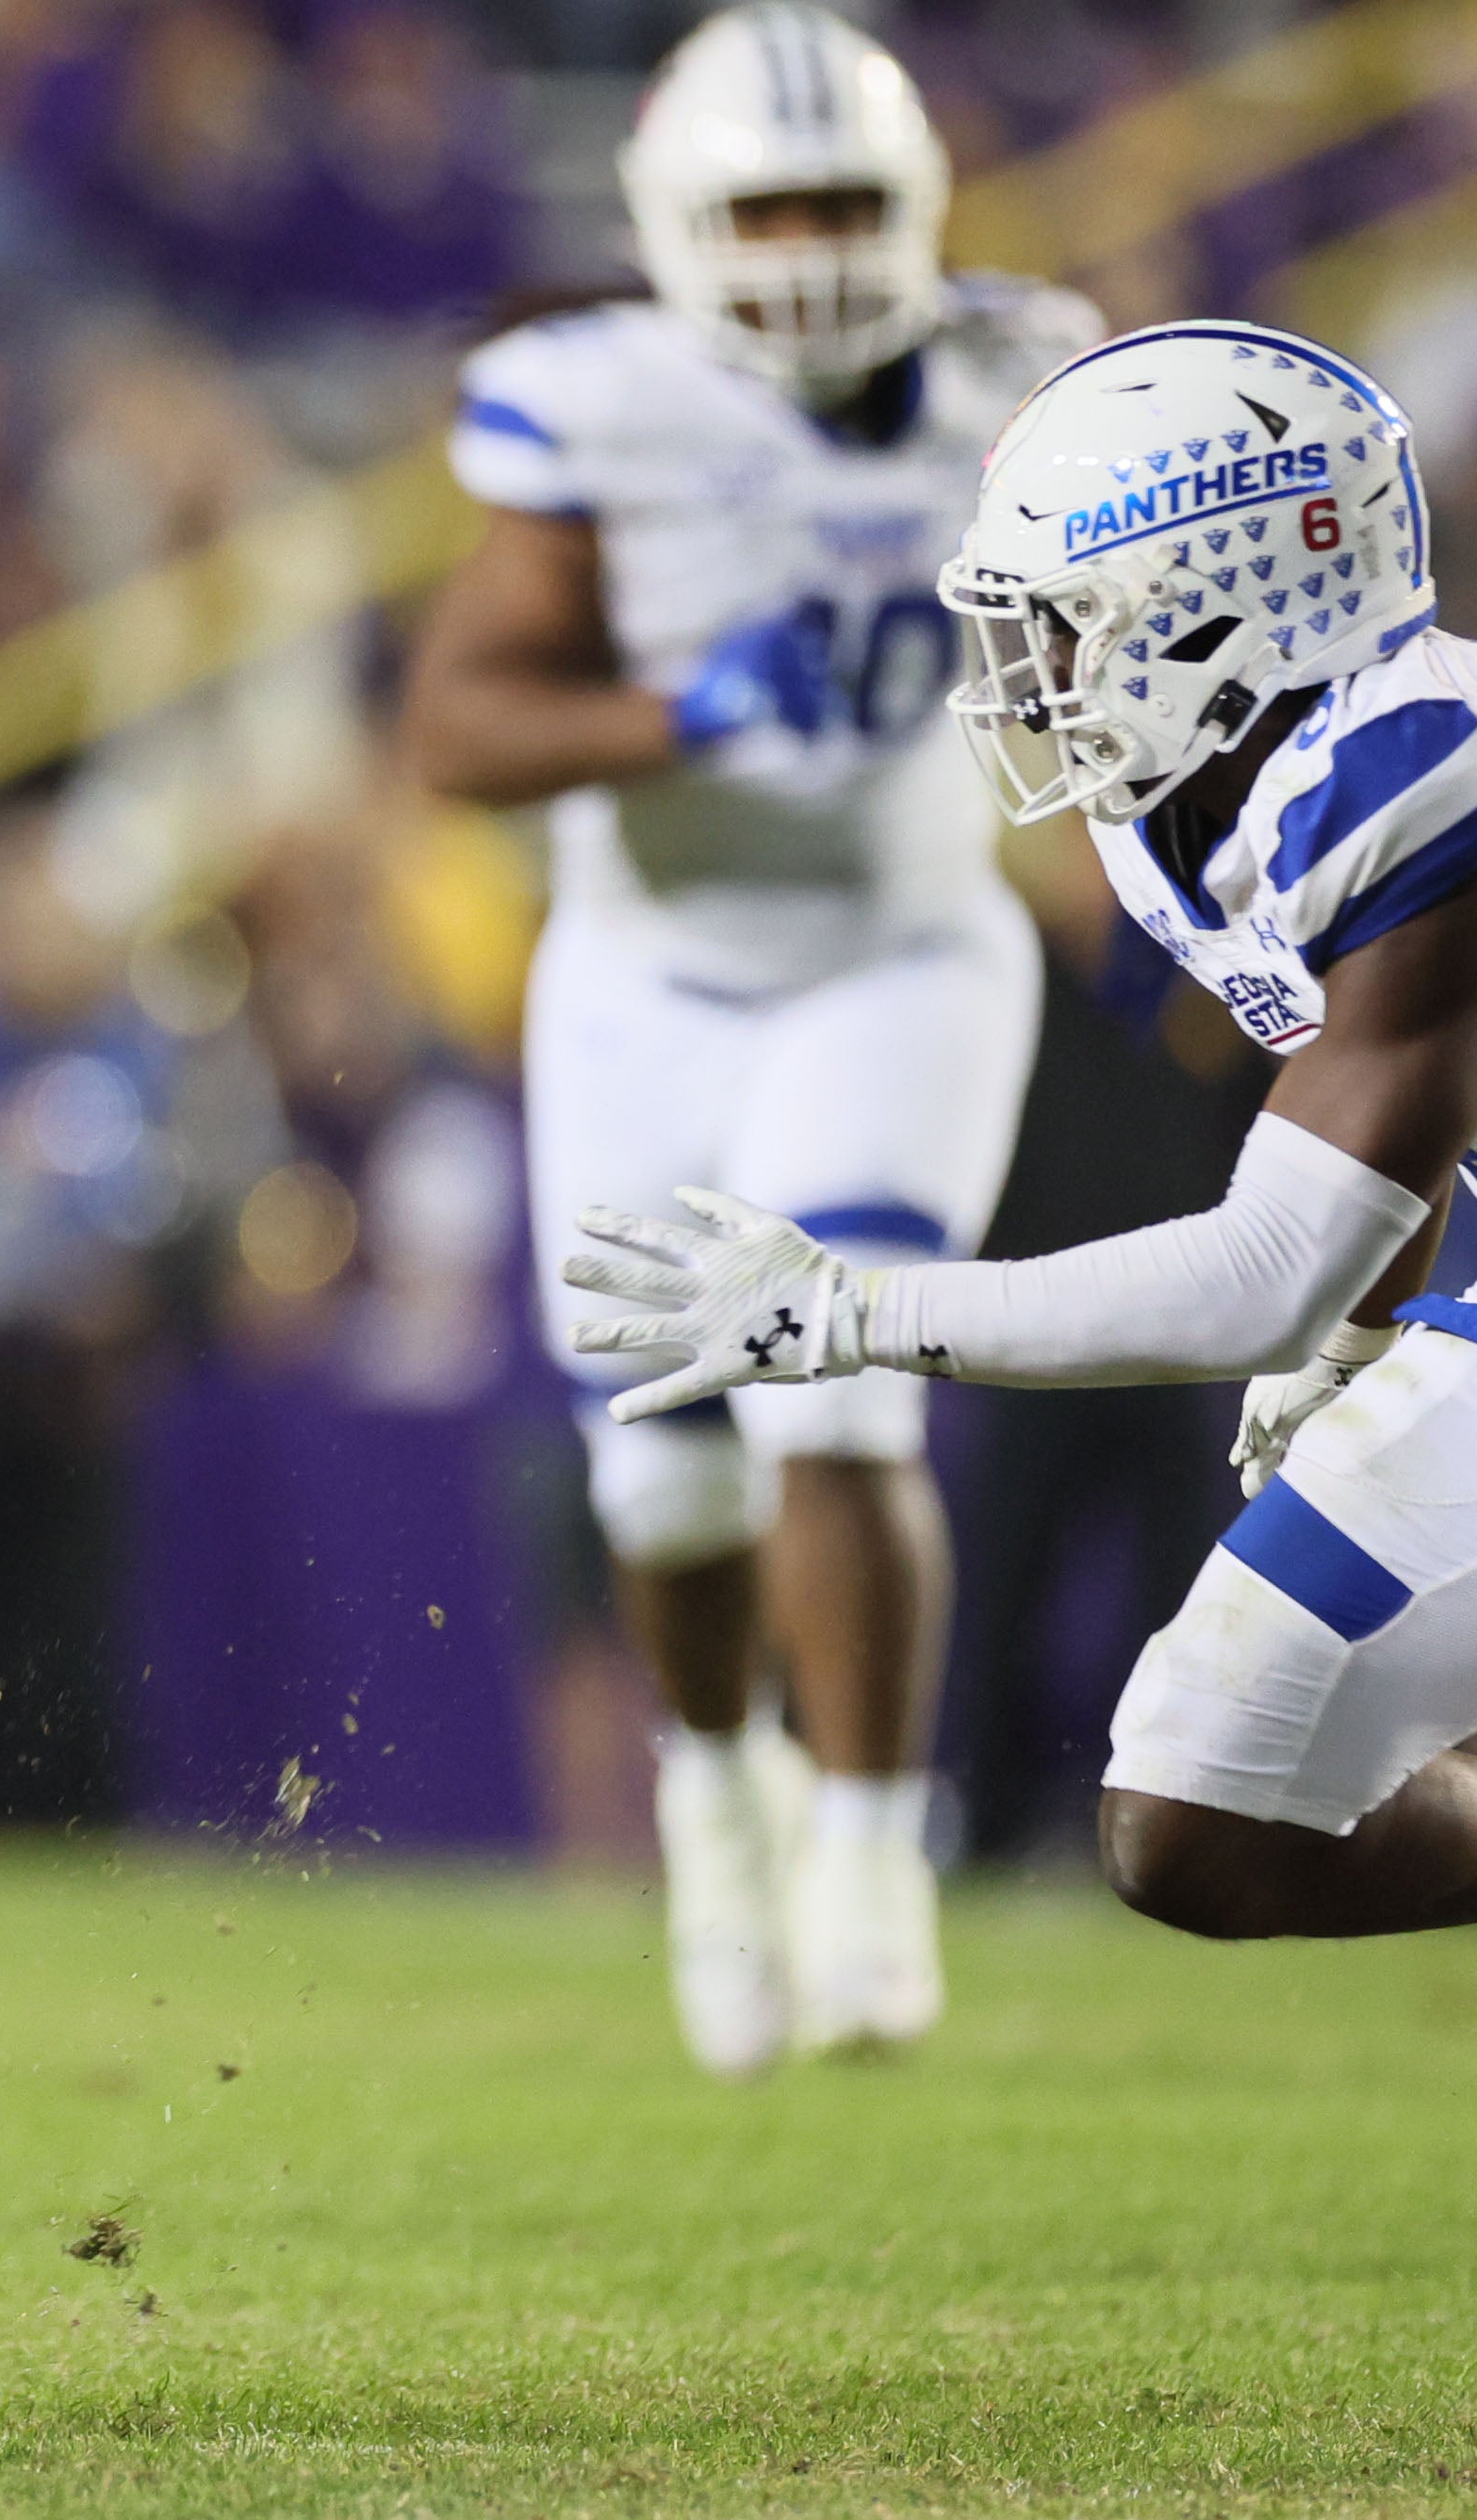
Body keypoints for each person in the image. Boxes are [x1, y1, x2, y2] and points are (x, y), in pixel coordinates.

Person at [566, 319, 1477, 1946]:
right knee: (1202, 1808)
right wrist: (1350, 1344)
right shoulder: (1225, 793)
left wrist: (851, 1311)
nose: (1031, 670)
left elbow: (1261, 1260)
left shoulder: (1409, 781)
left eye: (1069, 621)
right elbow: (1401, 1109)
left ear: (1224, 603)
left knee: (1200, 1805)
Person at [400, 4, 1100, 2074]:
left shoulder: (1021, 368)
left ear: (921, 209)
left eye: (842, 204)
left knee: (840, 1396)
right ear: (672, 221)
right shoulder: (591, 401)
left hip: (905, 951)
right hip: (647, 974)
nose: (802, 246)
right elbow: (458, 727)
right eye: (762, 205)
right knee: (668, 1479)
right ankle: (720, 1800)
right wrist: (678, 716)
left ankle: (875, 1851)